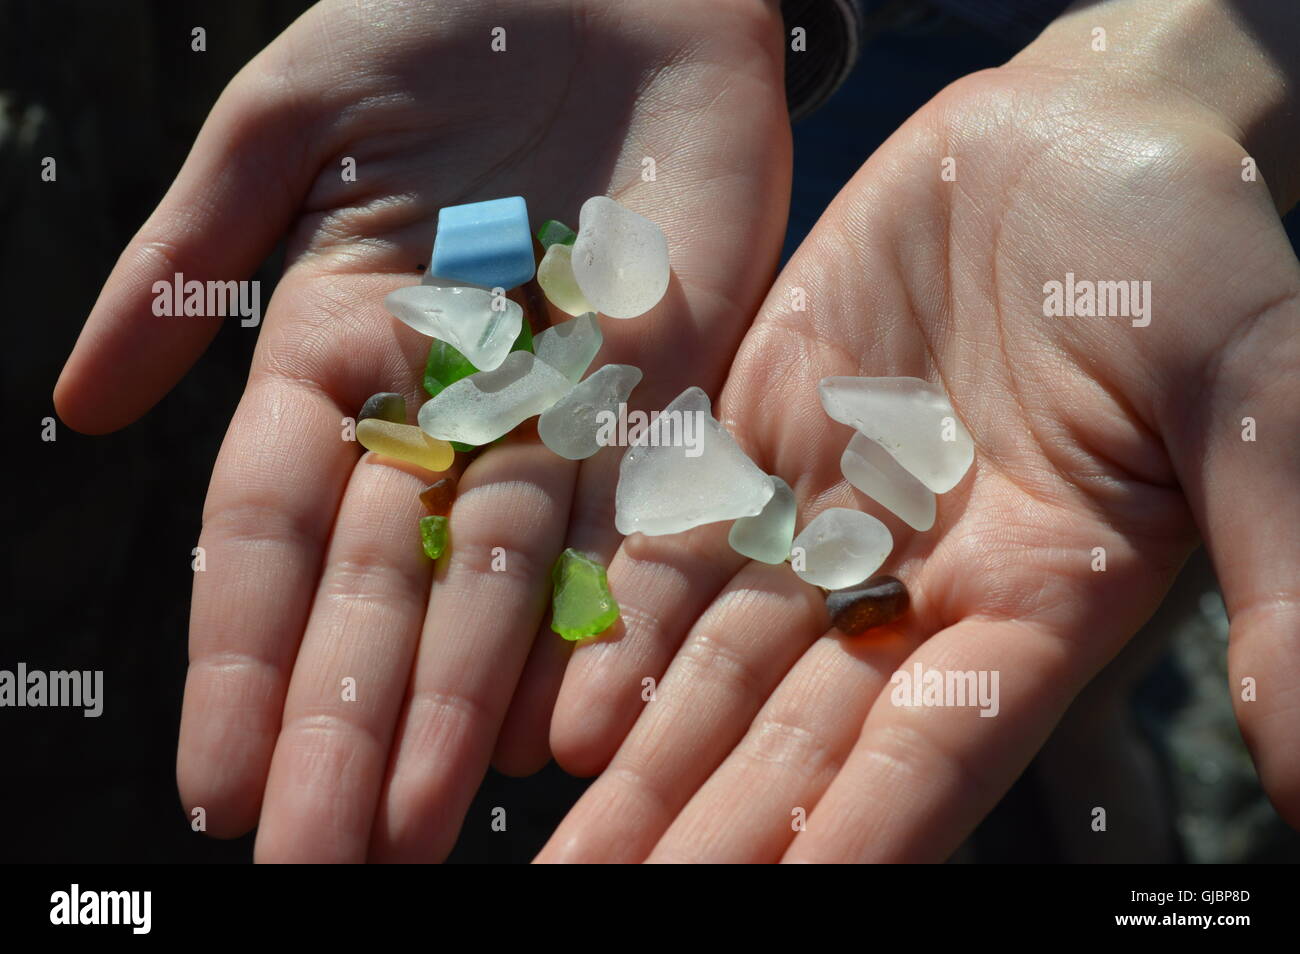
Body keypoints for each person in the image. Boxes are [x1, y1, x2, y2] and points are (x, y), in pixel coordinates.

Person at [55, 0, 1300, 862]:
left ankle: (1086, 728)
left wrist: (1177, 65)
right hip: (766, 98)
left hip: (977, 184)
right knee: (941, 497)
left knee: (1070, 527)